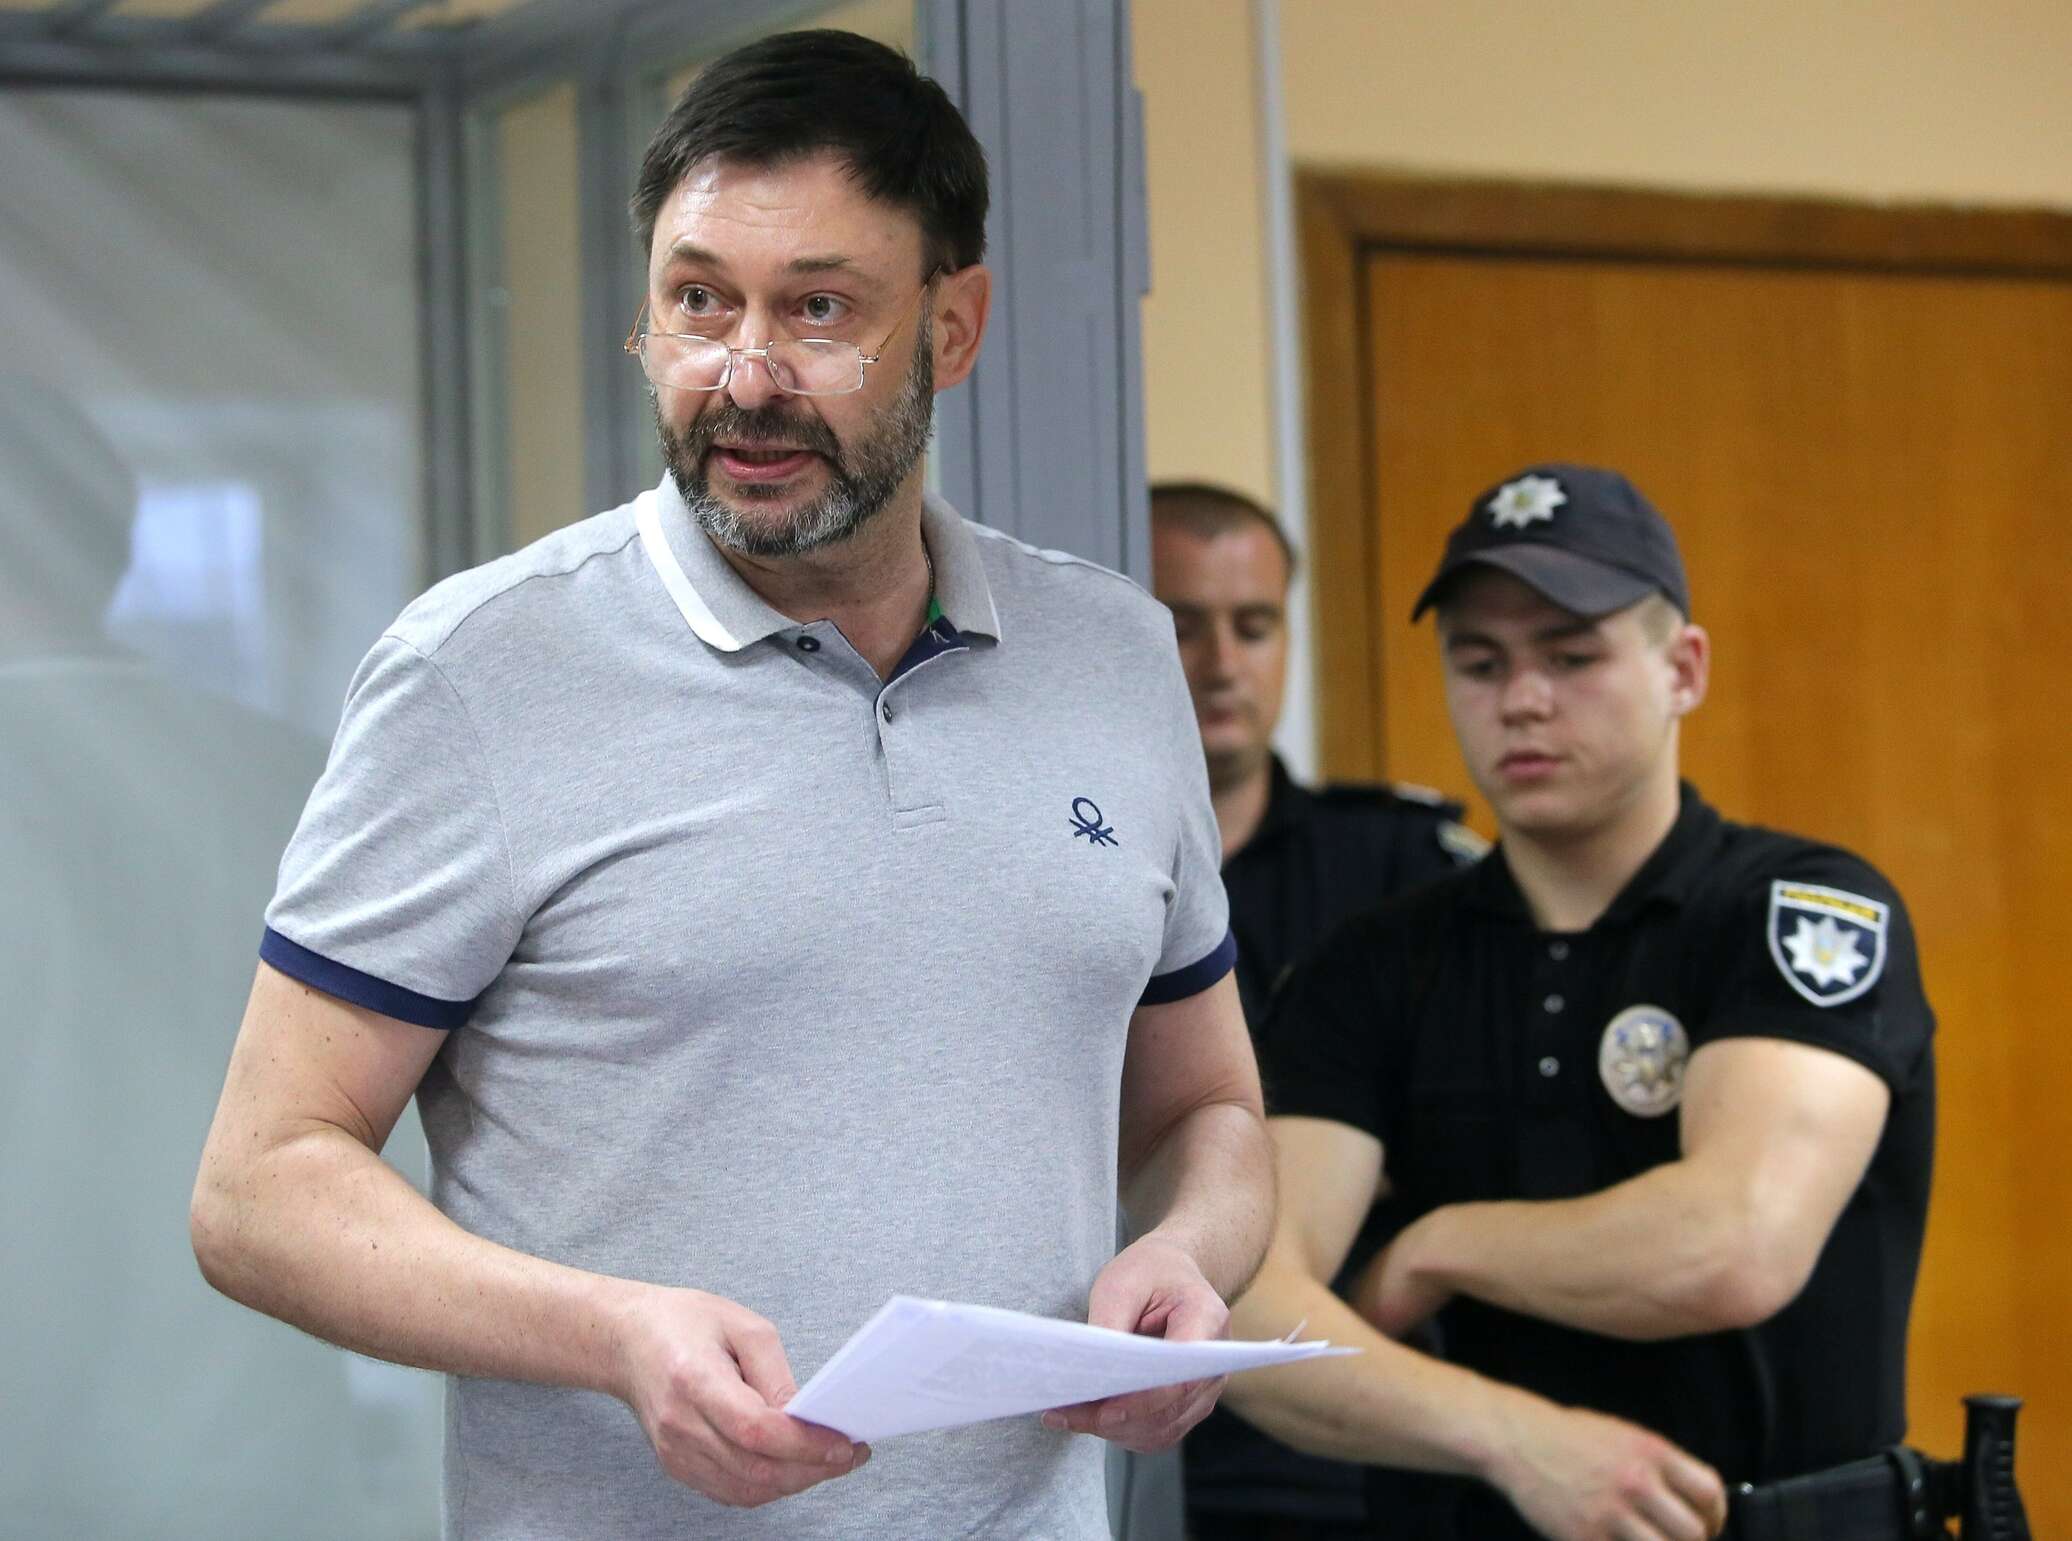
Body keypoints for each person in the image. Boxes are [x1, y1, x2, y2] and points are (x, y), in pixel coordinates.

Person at [189, 31, 1274, 1541]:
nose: (744, 377)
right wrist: (608, 1333)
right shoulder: (478, 671)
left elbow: (1206, 1107)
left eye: (818, 310)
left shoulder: (1114, 654)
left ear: (954, 326)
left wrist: (1192, 1254)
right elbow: (258, 1188)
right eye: (698, 302)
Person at [1224, 464, 1934, 1541]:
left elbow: (1732, 1241)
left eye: (1571, 656)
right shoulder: (1373, 962)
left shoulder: (1796, 912)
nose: (1521, 699)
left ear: (1682, 669)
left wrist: (1439, 1244)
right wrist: (1517, 1441)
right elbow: (1247, 1305)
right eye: (1480, 662)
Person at [1148, 481, 1482, 1540]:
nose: (1221, 662)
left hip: (1349, 1441)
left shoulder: (1396, 866)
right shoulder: (1072, 872)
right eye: (1182, 624)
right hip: (1128, 1427)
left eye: (1253, 626)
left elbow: (1456, 1136)